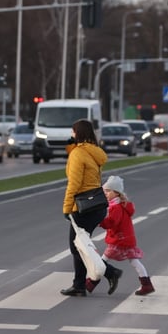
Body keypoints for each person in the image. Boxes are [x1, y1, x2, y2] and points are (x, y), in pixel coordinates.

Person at [60, 119, 122, 297]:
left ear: (77, 133)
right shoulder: (95, 152)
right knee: (80, 245)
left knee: (77, 246)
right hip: (97, 204)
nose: (70, 135)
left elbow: (74, 184)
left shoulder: (78, 154)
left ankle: (109, 273)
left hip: (83, 207)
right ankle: (79, 285)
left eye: (72, 132)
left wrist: (66, 207)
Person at [89, 175, 155, 296]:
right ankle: (147, 285)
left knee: (101, 262)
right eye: (105, 191)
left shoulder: (116, 207)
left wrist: (99, 221)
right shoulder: (121, 205)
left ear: (117, 193)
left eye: (108, 191)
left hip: (118, 240)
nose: (106, 193)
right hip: (126, 239)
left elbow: (112, 222)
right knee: (135, 262)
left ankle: (90, 283)